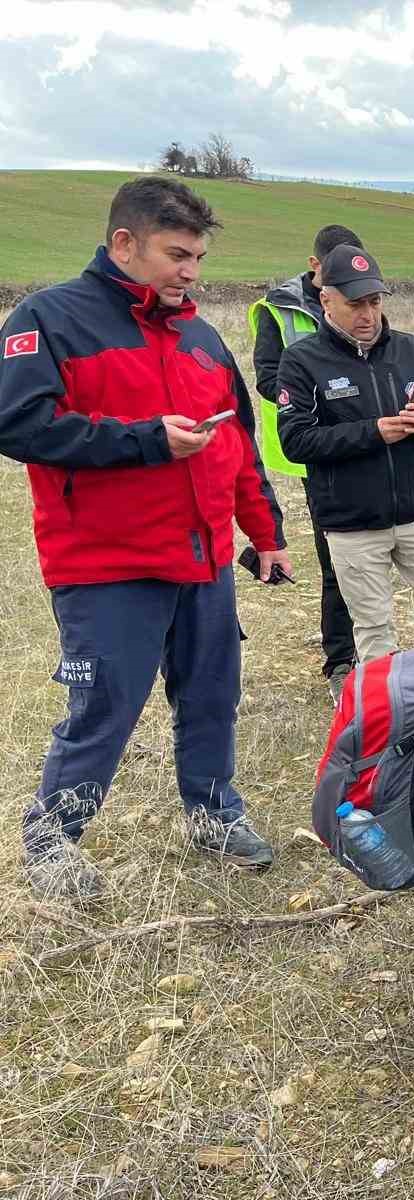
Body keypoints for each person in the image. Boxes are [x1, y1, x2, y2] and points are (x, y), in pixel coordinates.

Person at [0, 176, 289, 899]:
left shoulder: (200, 337)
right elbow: (16, 423)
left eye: (197, 257)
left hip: (203, 560)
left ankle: (212, 813)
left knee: (212, 694)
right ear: (124, 243)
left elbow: (239, 448)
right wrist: (143, 442)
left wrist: (266, 534)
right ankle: (52, 840)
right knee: (106, 704)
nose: (191, 273)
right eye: (176, 255)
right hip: (106, 563)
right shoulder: (50, 319)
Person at [275, 243, 414, 661]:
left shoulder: (409, 349)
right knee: (374, 635)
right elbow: (296, 442)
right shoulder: (301, 361)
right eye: (356, 304)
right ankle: (383, 722)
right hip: (353, 527)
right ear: (326, 300)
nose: (368, 315)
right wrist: (373, 433)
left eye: (374, 302)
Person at [248, 223, 364, 699]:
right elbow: (266, 376)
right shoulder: (278, 309)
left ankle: (371, 652)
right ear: (315, 266)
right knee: (337, 555)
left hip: (362, 443)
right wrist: (321, 399)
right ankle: (341, 661)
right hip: (315, 451)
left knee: (367, 550)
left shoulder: (360, 297)